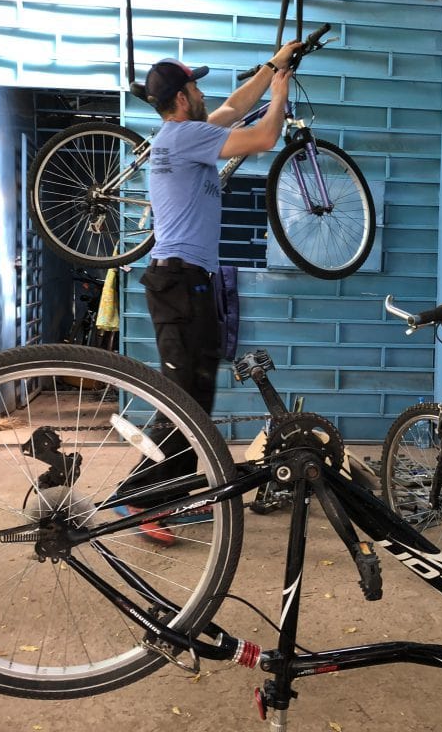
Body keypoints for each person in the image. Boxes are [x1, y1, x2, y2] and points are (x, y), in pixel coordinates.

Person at [113, 42, 300, 545]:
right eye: (194, 85)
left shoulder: (188, 133)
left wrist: (271, 66)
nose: (201, 91)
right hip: (177, 282)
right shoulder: (182, 136)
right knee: (183, 401)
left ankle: (164, 493)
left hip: (192, 282)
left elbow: (237, 107)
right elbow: (262, 135)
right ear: (180, 97)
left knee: (196, 396)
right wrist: (280, 92)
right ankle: (141, 497)